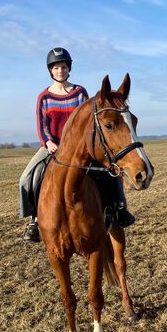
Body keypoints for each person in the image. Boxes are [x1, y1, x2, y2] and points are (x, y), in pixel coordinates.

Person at [19, 47, 135, 242]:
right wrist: (48, 142)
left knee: (109, 172)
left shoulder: (80, 92)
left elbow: (88, 120)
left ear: (68, 68)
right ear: (50, 71)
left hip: (80, 148)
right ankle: (34, 220)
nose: (60, 71)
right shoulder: (44, 97)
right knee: (27, 177)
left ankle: (119, 209)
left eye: (63, 67)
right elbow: (42, 125)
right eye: (56, 68)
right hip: (53, 146)